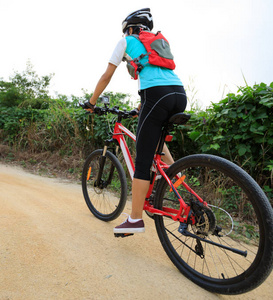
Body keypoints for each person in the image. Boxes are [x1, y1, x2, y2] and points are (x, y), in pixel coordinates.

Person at [83, 8, 187, 234]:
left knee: (142, 160)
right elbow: (158, 76)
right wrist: (141, 107)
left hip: (157, 96)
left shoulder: (126, 41)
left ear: (129, 28)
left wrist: (92, 103)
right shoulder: (156, 43)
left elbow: (107, 75)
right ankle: (175, 175)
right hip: (178, 94)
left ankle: (136, 219)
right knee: (154, 136)